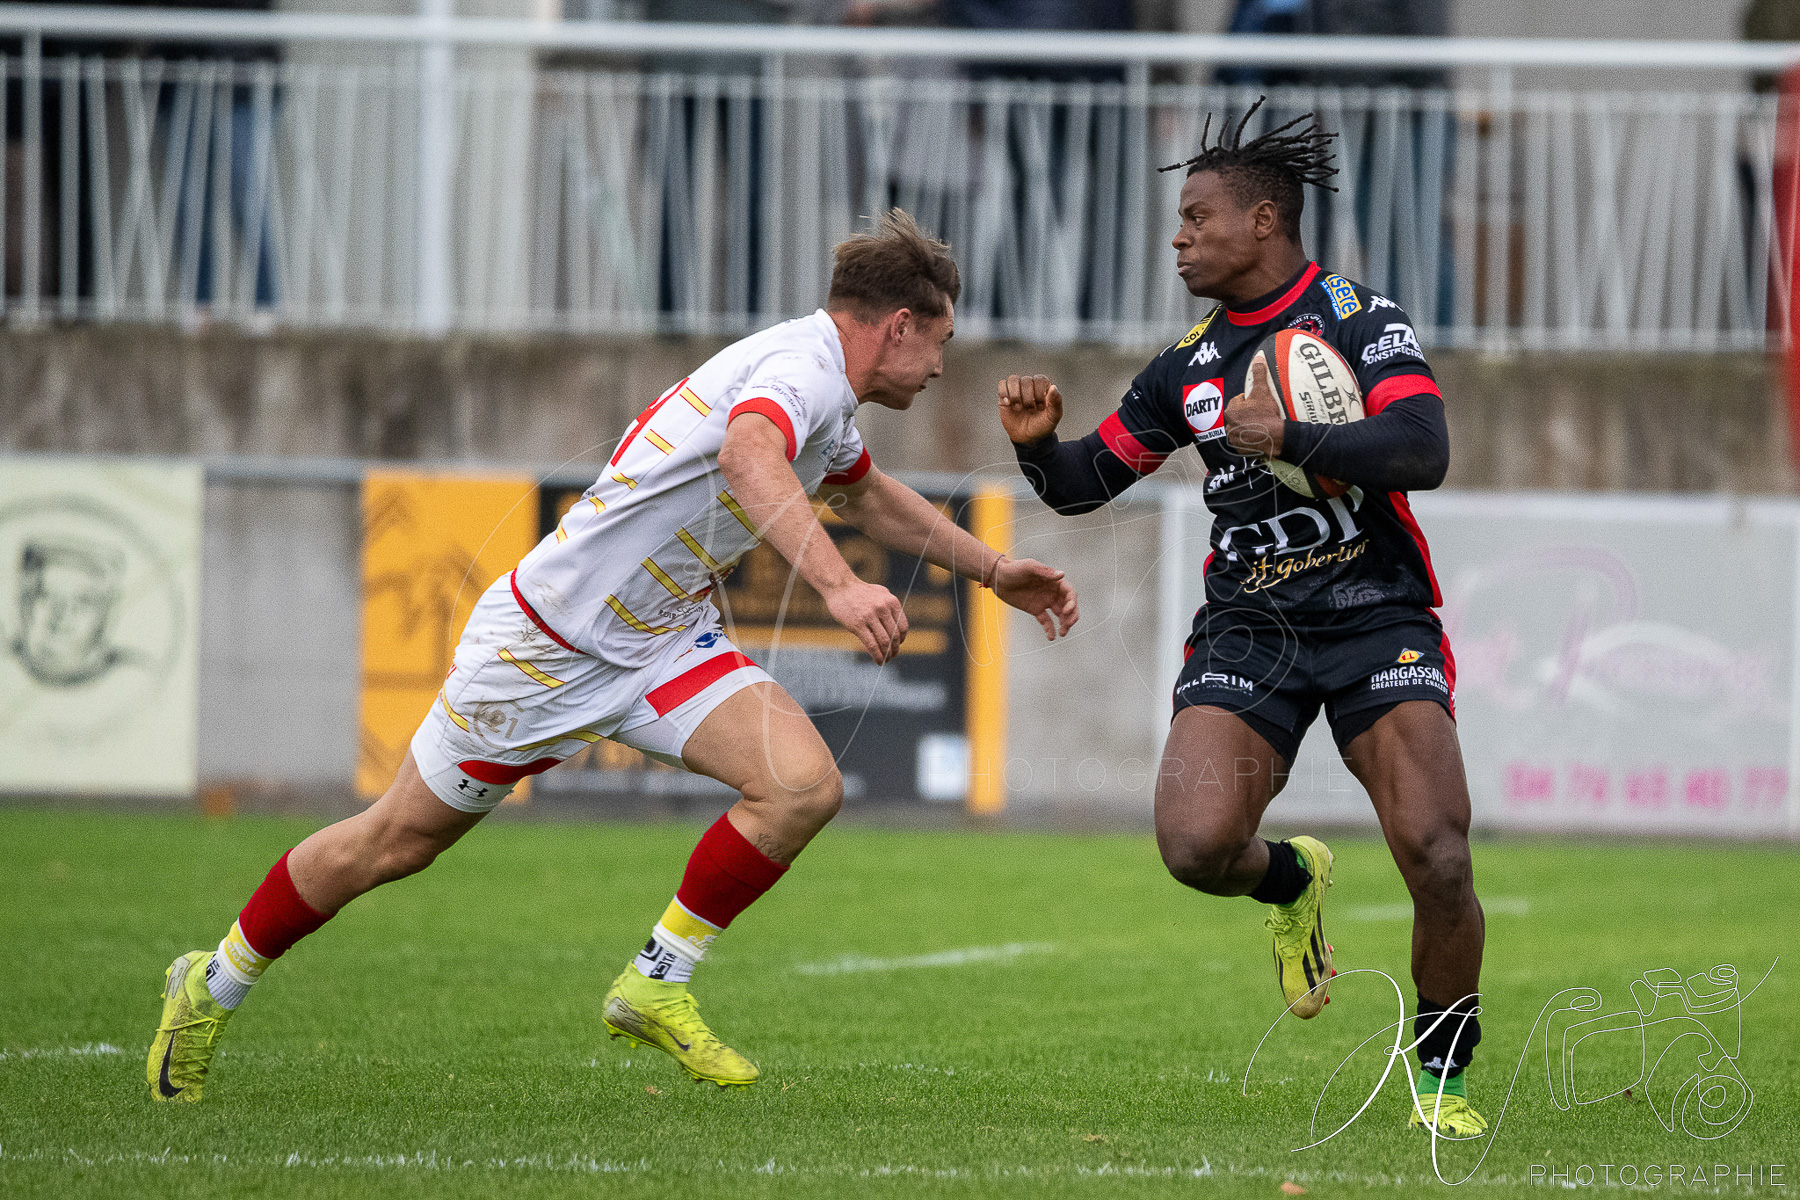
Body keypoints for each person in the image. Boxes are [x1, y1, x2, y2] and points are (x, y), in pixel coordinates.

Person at [149, 209, 1080, 1100]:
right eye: (942, 343)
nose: (940, 367)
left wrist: (994, 570)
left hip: (662, 642)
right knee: (394, 842)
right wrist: (839, 586)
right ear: (901, 325)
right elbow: (751, 455)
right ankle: (212, 982)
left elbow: (869, 497)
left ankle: (656, 981)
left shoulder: (824, 388)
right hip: (546, 647)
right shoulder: (799, 372)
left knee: (801, 786)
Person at [997, 100, 1486, 1136]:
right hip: (1250, 631)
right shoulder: (1189, 366)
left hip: (1374, 616)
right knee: (1194, 846)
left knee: (1439, 852)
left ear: (1264, 221)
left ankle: (1440, 1086)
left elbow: (1424, 451)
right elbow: (1089, 481)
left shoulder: (1360, 318)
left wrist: (1299, 437)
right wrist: (1041, 447)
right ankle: (1294, 878)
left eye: (1196, 217)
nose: (1179, 238)